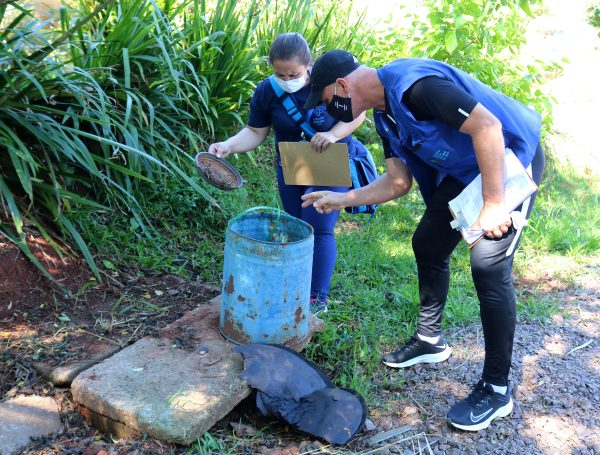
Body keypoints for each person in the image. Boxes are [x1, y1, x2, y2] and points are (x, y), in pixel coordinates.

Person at [300, 50, 545, 431]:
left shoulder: (416, 86)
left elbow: (487, 127)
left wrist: (494, 204)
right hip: (467, 171)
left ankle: (497, 389)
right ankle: (430, 340)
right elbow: (398, 182)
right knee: (428, 243)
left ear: (344, 86)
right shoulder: (386, 118)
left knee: (488, 267)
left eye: (329, 100)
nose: (330, 111)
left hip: (508, 160)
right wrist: (342, 198)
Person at [208, 34, 370, 313]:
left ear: (308, 65)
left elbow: (357, 114)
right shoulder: (267, 91)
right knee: (298, 229)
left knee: (318, 227)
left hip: (329, 163)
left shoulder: (329, 81)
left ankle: (316, 299)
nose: (286, 78)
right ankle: (296, 287)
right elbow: (255, 132)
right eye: (279, 73)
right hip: (292, 166)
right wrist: (229, 146)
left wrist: (332, 134)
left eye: (293, 73)